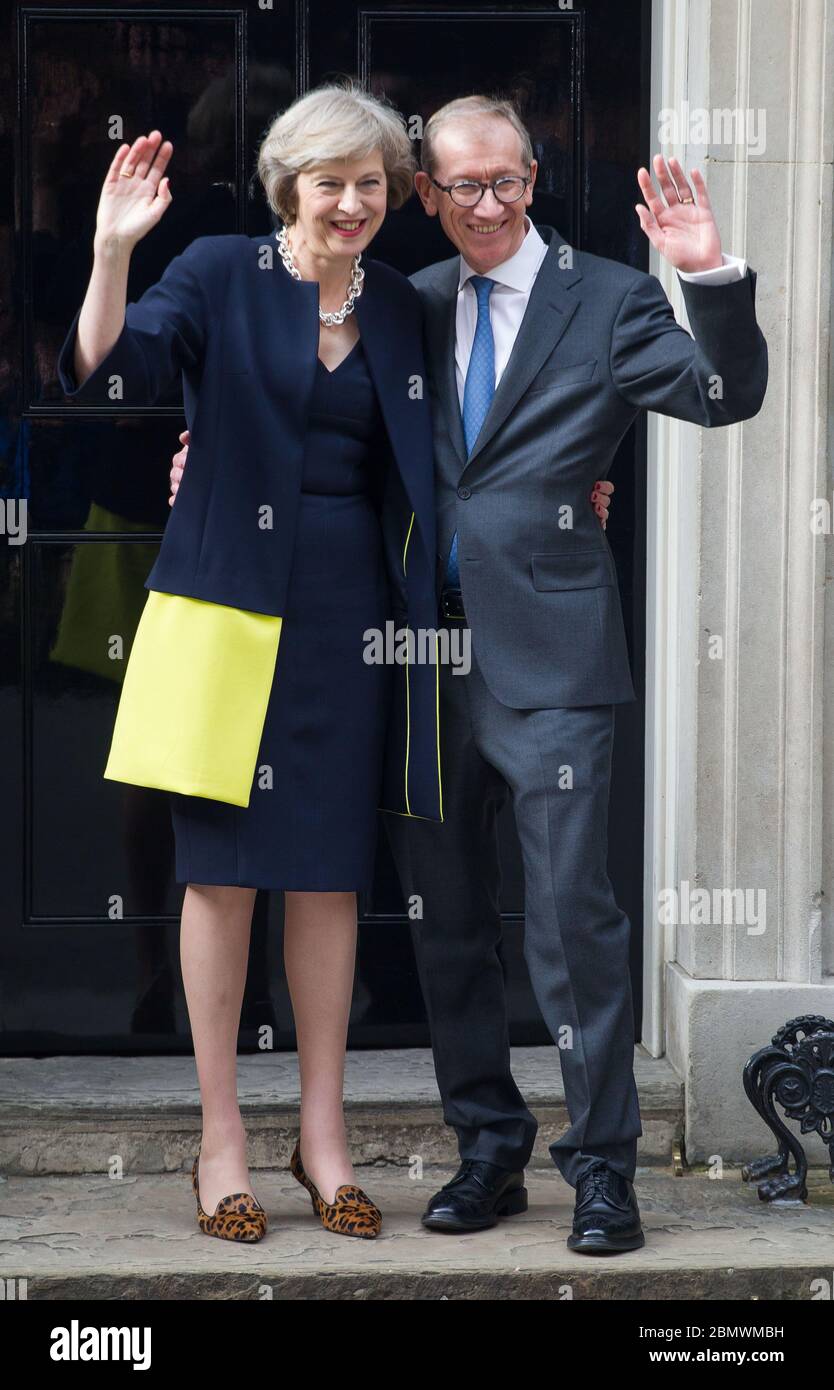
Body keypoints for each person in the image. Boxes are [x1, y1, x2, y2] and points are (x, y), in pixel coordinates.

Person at [56, 81, 448, 1242]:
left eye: (371, 183)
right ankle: (220, 1138)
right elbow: (110, 370)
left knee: (327, 873)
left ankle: (321, 1137)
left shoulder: (403, 308)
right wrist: (112, 252)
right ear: (289, 186)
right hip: (222, 604)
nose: (352, 202)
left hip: (346, 615)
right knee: (219, 875)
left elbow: (441, 454)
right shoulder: (225, 272)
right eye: (330, 182)